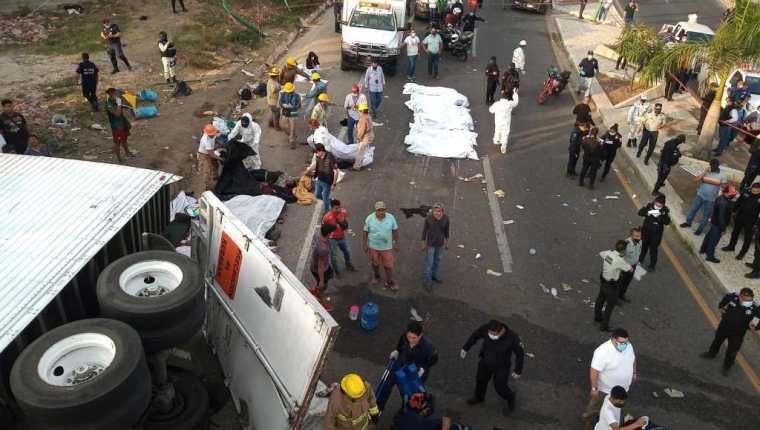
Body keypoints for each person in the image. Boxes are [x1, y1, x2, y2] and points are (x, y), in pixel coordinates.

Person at [461, 320, 524, 416]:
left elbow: (520, 354)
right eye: (489, 333)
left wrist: (518, 370)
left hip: (501, 366)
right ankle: (479, 397)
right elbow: (475, 335)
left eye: (493, 334)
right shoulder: (486, 328)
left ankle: (510, 397)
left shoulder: (512, 338)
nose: (490, 335)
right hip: (485, 361)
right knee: (480, 380)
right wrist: (466, 348)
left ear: (500, 331)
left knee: (500, 387)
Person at [583, 329, 637, 430]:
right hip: (605, 390)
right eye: (621, 343)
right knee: (595, 407)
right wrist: (594, 388)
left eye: (626, 342)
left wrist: (634, 372)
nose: (624, 345)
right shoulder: (602, 352)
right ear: (613, 339)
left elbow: (633, 359)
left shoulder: (628, 346)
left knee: (614, 409)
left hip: (622, 389)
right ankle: (588, 423)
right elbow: (594, 371)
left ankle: (607, 421)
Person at [379, 321, 439, 410]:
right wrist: (397, 350)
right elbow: (401, 343)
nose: (411, 340)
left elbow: (434, 359)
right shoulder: (405, 336)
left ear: (421, 335)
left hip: (415, 373)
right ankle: (379, 408)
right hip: (401, 364)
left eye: (414, 338)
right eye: (409, 336)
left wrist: (424, 368)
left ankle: (405, 414)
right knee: (386, 385)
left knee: (408, 396)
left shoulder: (428, 347)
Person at [700, 288, 759, 375]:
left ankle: (727, 366)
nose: (748, 302)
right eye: (746, 300)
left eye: (750, 300)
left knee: (732, 350)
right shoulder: (732, 298)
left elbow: (756, 322)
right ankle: (712, 353)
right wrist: (721, 308)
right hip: (724, 327)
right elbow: (722, 304)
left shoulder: (755, 309)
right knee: (717, 341)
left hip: (737, 334)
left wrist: (754, 326)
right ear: (740, 297)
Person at [680, 158, 729, 235]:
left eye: (714, 166)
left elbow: (724, 187)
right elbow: (695, 180)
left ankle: (700, 229)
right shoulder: (706, 172)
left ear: (717, 166)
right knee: (693, 210)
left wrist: (720, 184)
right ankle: (688, 222)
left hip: (711, 199)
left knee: (706, 215)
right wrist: (705, 172)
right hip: (700, 195)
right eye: (711, 165)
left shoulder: (723, 175)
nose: (712, 167)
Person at [595, 241, 633, 331]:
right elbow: (630, 269)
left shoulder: (608, 253)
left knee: (600, 300)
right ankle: (604, 326)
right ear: (623, 251)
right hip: (612, 286)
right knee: (609, 307)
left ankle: (597, 317)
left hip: (604, 281)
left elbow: (601, 253)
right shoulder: (619, 260)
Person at [364, 201, 400, 291]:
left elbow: (395, 230)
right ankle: (377, 276)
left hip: (387, 247)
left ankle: (390, 281)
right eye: (379, 210)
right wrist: (364, 244)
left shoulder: (391, 218)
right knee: (375, 263)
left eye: (383, 210)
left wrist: (397, 242)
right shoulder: (369, 218)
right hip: (373, 246)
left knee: (388, 266)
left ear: (385, 210)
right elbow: (365, 232)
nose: (381, 212)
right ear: (375, 210)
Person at [700, 185, 737, 263]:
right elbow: (721, 217)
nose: (733, 196)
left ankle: (703, 249)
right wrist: (723, 228)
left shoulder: (720, 198)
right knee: (714, 241)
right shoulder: (723, 203)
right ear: (726, 193)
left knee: (708, 237)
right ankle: (710, 256)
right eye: (731, 194)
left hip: (714, 222)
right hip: (718, 225)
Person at [723, 183, 760, 259]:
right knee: (735, 233)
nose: (754, 192)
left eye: (757, 191)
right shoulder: (746, 192)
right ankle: (731, 246)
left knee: (747, 239)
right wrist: (734, 210)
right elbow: (738, 202)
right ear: (751, 188)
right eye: (753, 190)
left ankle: (742, 254)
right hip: (740, 217)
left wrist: (757, 224)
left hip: (751, 221)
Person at [420, 203, 450, 290]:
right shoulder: (428, 219)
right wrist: (423, 243)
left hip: (440, 245)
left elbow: (447, 232)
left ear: (443, 212)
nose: (438, 213)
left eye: (440, 211)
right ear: (433, 212)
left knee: (437, 261)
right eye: (436, 211)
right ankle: (428, 281)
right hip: (430, 245)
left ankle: (434, 276)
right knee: (429, 263)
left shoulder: (446, 219)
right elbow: (424, 232)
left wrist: (447, 243)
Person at [638, 194, 670, 271]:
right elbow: (640, 213)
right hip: (646, 231)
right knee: (643, 247)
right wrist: (647, 212)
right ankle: (640, 259)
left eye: (659, 206)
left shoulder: (664, 211)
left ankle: (652, 266)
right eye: (656, 205)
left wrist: (659, 216)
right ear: (654, 202)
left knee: (653, 250)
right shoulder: (649, 206)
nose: (657, 207)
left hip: (656, 234)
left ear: (663, 205)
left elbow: (667, 222)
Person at [323, 200, 355, 275]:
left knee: (347, 251)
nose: (338, 210)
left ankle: (348, 264)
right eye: (336, 208)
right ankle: (336, 270)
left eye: (339, 207)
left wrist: (345, 226)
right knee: (333, 256)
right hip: (332, 239)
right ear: (331, 208)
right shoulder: (327, 217)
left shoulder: (343, 212)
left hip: (342, 237)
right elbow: (324, 229)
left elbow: (345, 223)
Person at [304, 143, 338, 213]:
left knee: (325, 198)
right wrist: (308, 170)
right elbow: (316, 164)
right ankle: (330, 201)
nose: (316, 154)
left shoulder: (330, 157)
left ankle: (327, 213)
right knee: (317, 195)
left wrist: (333, 184)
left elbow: (336, 171)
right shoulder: (318, 156)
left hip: (327, 182)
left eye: (317, 152)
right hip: (319, 179)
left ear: (321, 151)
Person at [309, 224, 336, 311]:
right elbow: (320, 266)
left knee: (321, 282)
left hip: (314, 265)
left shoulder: (318, 234)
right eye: (332, 232)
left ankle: (314, 289)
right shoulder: (323, 249)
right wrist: (321, 281)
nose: (333, 234)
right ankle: (324, 303)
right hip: (320, 270)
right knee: (323, 287)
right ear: (328, 234)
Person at [105, 89, 134, 163]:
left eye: (115, 92)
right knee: (117, 142)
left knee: (124, 139)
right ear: (110, 94)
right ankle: (119, 158)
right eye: (113, 93)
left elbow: (121, 106)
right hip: (117, 127)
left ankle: (127, 153)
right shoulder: (109, 104)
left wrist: (129, 107)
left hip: (122, 124)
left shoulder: (115, 100)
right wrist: (119, 104)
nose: (115, 94)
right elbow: (117, 114)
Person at [489, 87, 519, 155]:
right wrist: (515, 93)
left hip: (498, 121)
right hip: (506, 122)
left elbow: (490, 110)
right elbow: (516, 102)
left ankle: (497, 140)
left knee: (498, 130)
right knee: (505, 133)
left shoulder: (497, 104)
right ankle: (503, 146)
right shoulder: (509, 104)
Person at [618, 228, 641, 303]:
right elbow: (619, 257)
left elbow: (638, 252)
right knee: (619, 284)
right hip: (624, 268)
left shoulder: (640, 242)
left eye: (639, 236)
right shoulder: (626, 244)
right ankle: (614, 299)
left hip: (633, 266)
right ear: (631, 236)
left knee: (627, 283)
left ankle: (621, 295)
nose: (638, 238)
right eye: (636, 236)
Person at [197, 124, 220, 191]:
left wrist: (220, 143)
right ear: (207, 134)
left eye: (213, 133)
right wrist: (221, 159)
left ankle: (215, 176)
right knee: (207, 171)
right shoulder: (206, 141)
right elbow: (211, 154)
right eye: (211, 134)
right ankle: (208, 188)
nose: (213, 135)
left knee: (215, 165)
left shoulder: (212, 134)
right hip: (203, 155)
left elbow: (215, 139)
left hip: (210, 151)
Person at [279, 82, 301, 149]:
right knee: (283, 126)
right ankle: (292, 135)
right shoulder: (283, 94)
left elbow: (299, 105)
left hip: (293, 113)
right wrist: (283, 105)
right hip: (285, 112)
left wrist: (293, 107)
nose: (288, 92)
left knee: (292, 127)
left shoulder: (297, 96)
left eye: (290, 91)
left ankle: (292, 140)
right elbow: (280, 102)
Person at [354, 102, 374, 171]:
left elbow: (362, 130)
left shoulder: (363, 119)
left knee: (360, 152)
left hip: (365, 137)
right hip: (370, 135)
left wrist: (359, 138)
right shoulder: (368, 116)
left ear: (362, 111)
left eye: (359, 110)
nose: (359, 112)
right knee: (363, 150)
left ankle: (357, 167)